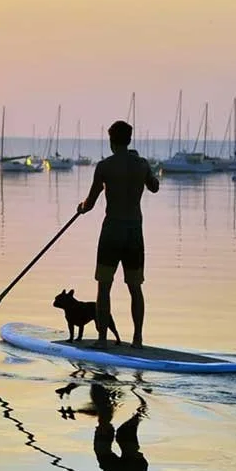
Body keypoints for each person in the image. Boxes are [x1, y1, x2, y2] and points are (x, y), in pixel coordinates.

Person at [77, 120, 159, 349]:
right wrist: (143, 167)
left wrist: (80, 207)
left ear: (111, 141)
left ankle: (103, 339)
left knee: (104, 285)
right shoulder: (141, 164)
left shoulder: (104, 166)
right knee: (135, 287)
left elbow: (90, 204)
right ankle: (137, 339)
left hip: (112, 231)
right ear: (129, 140)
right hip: (134, 232)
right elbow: (154, 186)